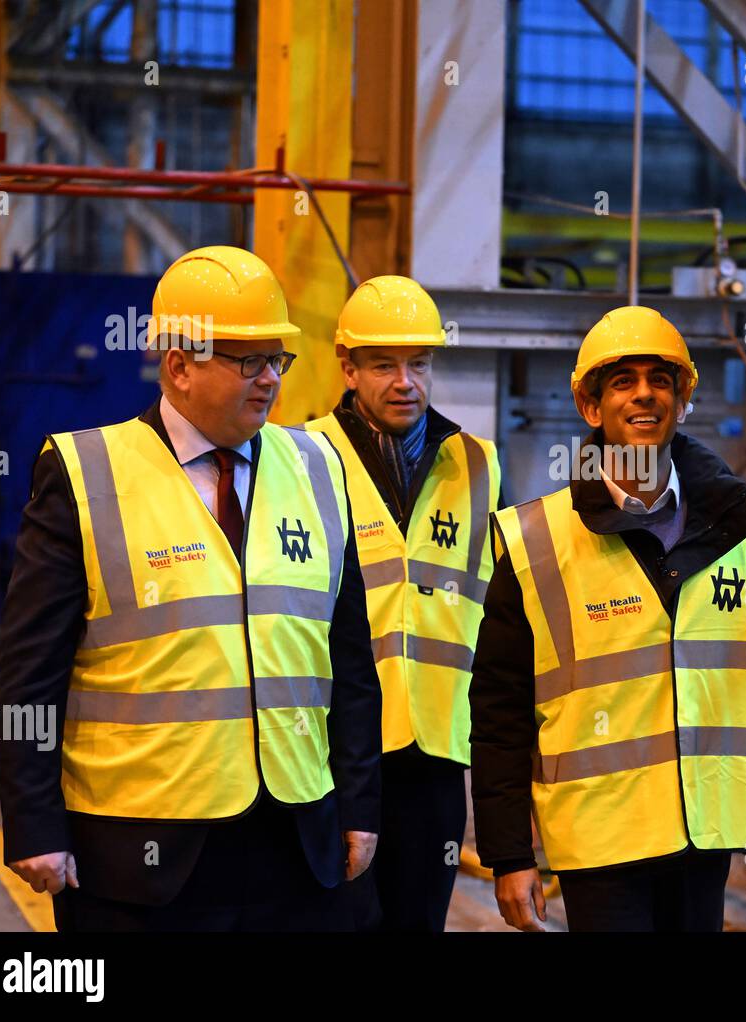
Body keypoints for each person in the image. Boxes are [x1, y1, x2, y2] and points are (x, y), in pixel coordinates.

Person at [0, 245, 382, 931]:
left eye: (278, 361)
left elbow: (349, 662)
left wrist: (360, 806)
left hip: (296, 842)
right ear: (178, 366)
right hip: (136, 857)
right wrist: (33, 824)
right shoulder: (87, 471)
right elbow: (29, 672)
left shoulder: (320, 467)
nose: (270, 381)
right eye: (249, 361)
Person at [469, 305, 746, 932]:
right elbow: (499, 711)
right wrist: (508, 854)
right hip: (599, 841)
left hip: (705, 831)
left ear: (682, 400)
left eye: (660, 379)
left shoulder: (742, 526)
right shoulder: (537, 540)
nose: (644, 395)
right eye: (623, 381)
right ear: (591, 406)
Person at [305, 276, 500, 931]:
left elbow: (495, 603)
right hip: (333, 750)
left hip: (435, 750)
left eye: (418, 364)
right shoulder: (303, 459)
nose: (404, 382)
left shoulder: (476, 463)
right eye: (384, 365)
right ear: (348, 368)